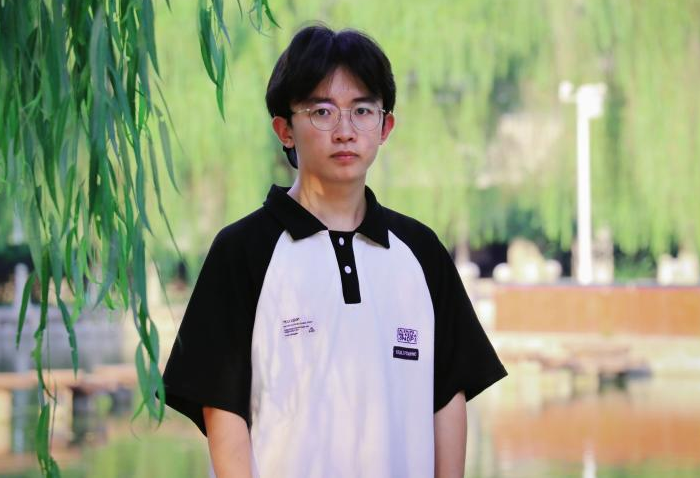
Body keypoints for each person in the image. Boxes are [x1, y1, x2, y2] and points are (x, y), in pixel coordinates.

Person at [161, 24, 507, 477]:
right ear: (285, 129)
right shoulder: (243, 251)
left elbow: (448, 397)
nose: (345, 131)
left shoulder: (420, 252)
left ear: (385, 127)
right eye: (322, 112)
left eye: (362, 111)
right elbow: (222, 409)